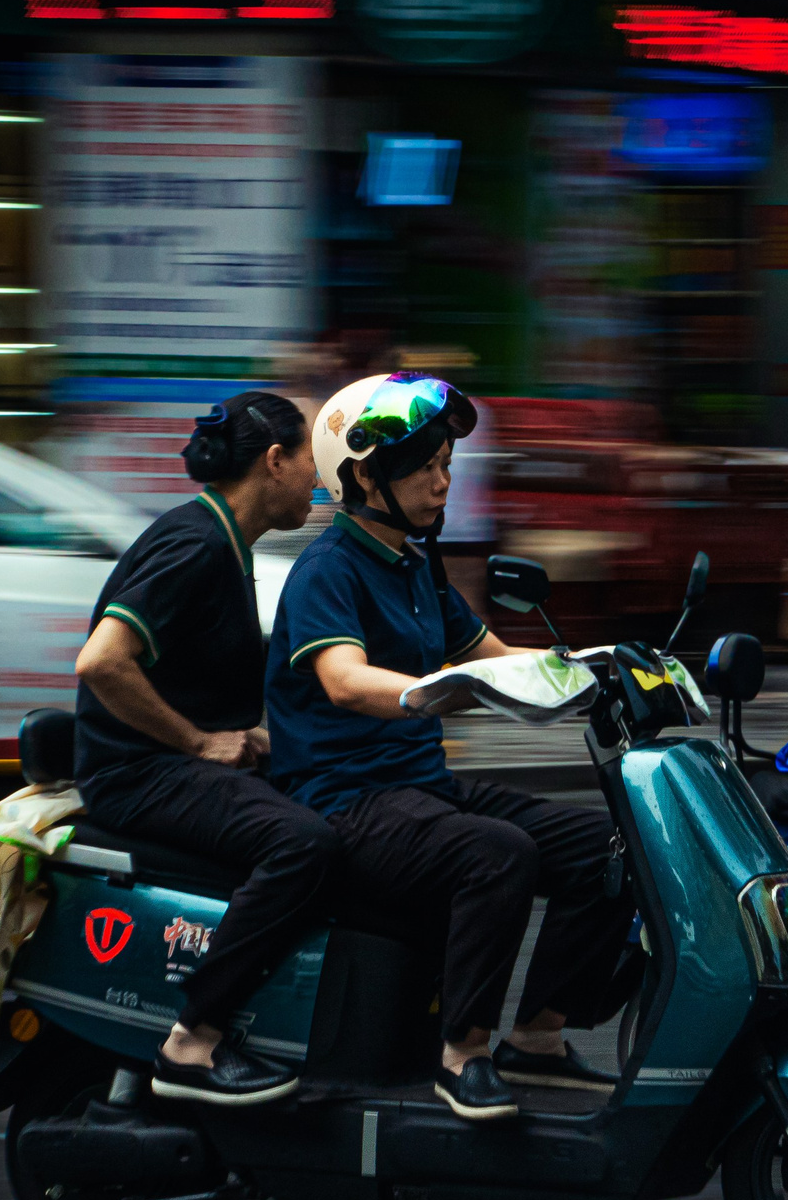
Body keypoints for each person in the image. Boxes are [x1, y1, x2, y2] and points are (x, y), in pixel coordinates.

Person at [266, 373, 631, 1123]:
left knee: (611, 844)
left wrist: (605, 670)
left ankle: (538, 1035)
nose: (443, 482)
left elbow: (495, 656)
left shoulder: (415, 565)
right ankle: (462, 1053)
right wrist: (427, 691)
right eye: (426, 466)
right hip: (347, 799)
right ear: (364, 474)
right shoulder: (325, 570)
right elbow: (341, 679)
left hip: (421, 787)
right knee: (495, 853)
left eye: (447, 465)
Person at [73, 392, 342, 1105]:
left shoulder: (225, 541)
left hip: (165, 761)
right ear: (275, 461)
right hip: (138, 772)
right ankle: (193, 1037)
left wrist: (234, 735)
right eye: (312, 460)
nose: (319, 479)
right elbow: (102, 661)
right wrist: (198, 741)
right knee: (301, 844)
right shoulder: (195, 542)